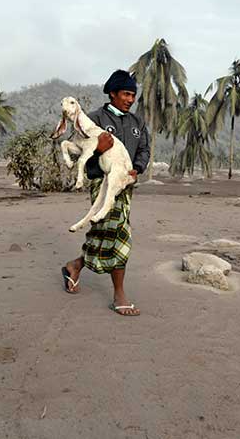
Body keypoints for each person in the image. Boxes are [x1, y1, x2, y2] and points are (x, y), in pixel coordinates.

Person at [61, 69, 150, 316]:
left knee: (102, 233)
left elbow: (144, 150)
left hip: (125, 184)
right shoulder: (94, 119)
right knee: (119, 232)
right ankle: (119, 294)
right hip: (102, 183)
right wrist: (98, 149)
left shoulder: (137, 123)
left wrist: (138, 169)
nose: (130, 99)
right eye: (125, 94)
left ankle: (75, 266)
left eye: (133, 95)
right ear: (112, 94)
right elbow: (81, 153)